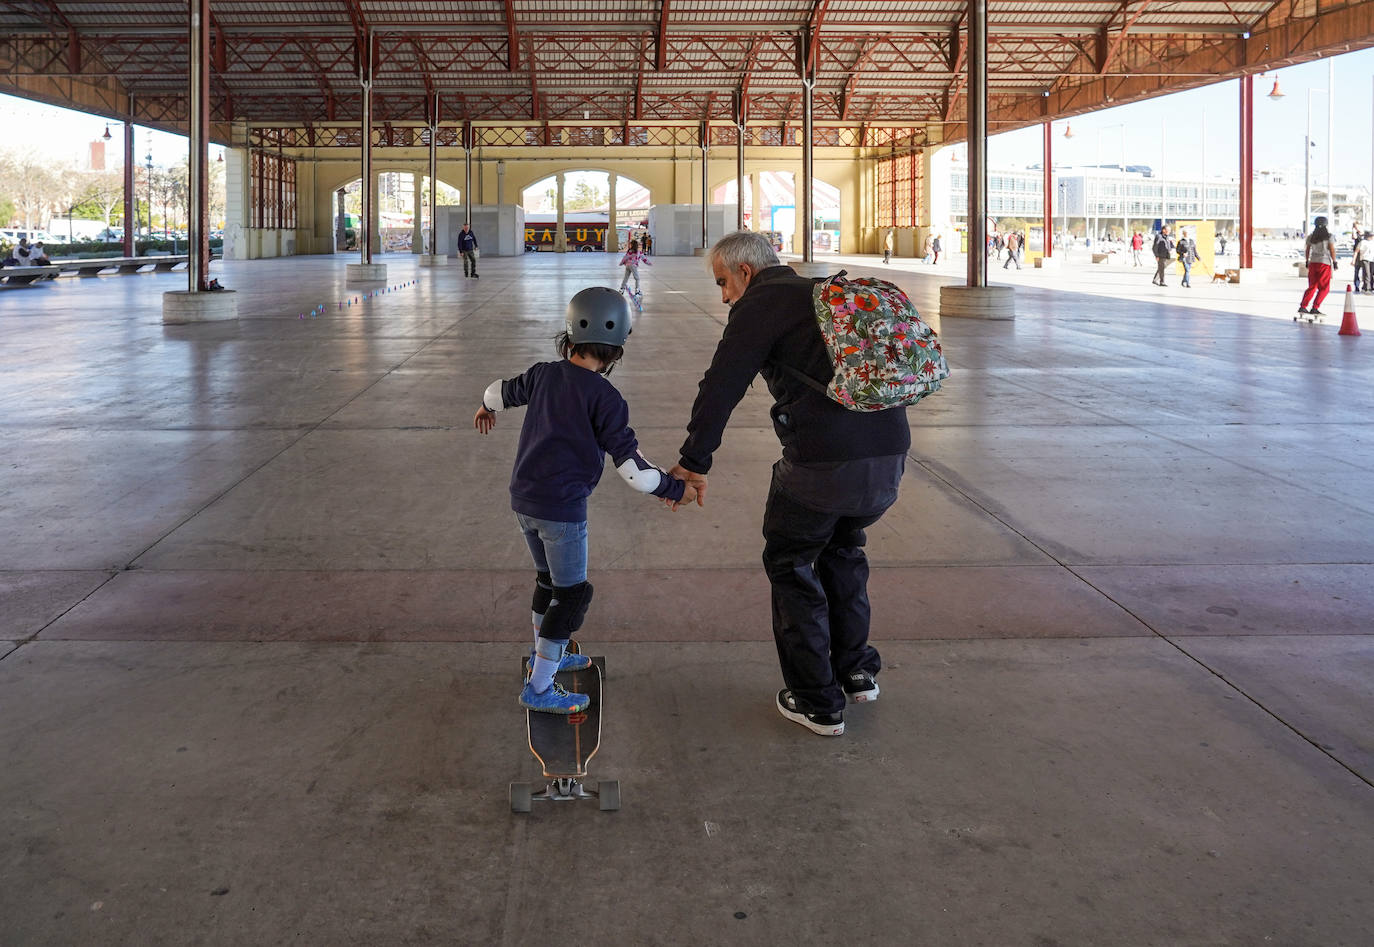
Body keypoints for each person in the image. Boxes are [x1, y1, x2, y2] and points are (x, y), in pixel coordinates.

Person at [669, 231, 910, 737]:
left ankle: (817, 701)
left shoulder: (762, 304)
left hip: (822, 466)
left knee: (792, 562)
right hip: (888, 457)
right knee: (844, 550)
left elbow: (721, 386)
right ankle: (857, 670)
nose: (724, 297)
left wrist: (694, 460)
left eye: (723, 283)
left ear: (746, 273)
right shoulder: (822, 295)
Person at [474, 287, 692, 713]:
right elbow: (634, 471)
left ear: (568, 337)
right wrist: (676, 490)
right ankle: (539, 687)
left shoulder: (542, 374)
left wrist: (486, 408)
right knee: (571, 596)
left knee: (547, 583)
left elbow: (497, 391)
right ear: (617, 350)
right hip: (563, 511)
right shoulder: (606, 398)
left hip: (523, 501)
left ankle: (548, 652)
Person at [1298, 216, 1339, 317]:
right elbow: (1332, 249)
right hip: (1324, 263)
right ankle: (1315, 307)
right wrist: (1334, 262)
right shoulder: (1329, 236)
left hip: (1313, 263)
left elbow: (1307, 250)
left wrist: (1307, 261)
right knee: (1324, 288)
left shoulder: (1311, 237)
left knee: (1312, 286)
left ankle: (1303, 306)